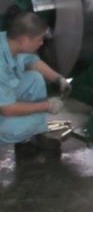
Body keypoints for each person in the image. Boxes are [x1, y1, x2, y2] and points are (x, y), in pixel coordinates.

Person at [0, 12, 72, 154]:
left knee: (35, 78)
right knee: (23, 125)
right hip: (4, 107)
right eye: (39, 40)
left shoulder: (10, 41)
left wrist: (59, 79)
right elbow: (6, 109)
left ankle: (27, 140)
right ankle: (24, 135)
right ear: (23, 40)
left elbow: (33, 62)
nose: (41, 43)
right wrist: (47, 105)